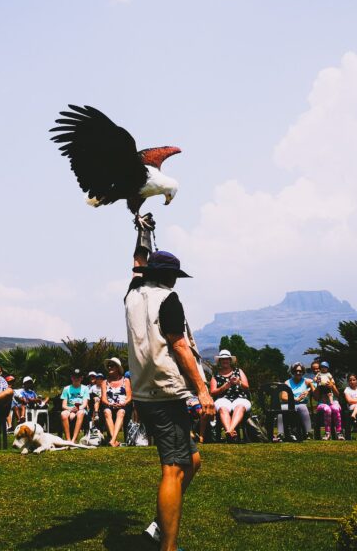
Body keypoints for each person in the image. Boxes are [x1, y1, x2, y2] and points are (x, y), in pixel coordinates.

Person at [126, 217, 213, 551]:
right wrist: (202, 390)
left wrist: (142, 231)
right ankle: (168, 546)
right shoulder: (169, 300)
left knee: (192, 461)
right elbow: (179, 346)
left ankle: (160, 523)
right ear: (171, 277)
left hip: (146, 394)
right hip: (166, 392)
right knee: (174, 468)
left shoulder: (133, 295)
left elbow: (136, 264)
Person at [209, 350, 252, 442]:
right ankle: (231, 433)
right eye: (223, 359)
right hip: (223, 399)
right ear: (219, 361)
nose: (225, 361)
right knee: (222, 408)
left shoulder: (238, 371)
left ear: (230, 360)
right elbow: (212, 392)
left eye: (227, 359)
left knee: (240, 406)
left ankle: (229, 430)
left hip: (240, 397)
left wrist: (239, 382)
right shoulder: (215, 375)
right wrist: (225, 386)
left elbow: (247, 387)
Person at [279, 363, 314, 442]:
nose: (298, 373)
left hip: (301, 404)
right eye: (296, 371)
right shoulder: (287, 382)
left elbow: (316, 384)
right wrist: (295, 399)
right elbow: (283, 397)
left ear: (303, 372)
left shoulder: (306, 381)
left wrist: (308, 390)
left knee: (302, 408)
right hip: (289, 403)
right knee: (281, 409)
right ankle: (280, 434)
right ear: (293, 371)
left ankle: (309, 432)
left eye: (300, 371)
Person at [101, 358, 132, 447]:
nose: (109, 367)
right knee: (106, 411)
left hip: (123, 405)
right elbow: (103, 398)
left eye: (112, 365)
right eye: (108, 366)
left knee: (121, 412)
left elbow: (129, 397)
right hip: (109, 405)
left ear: (118, 368)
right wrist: (109, 404)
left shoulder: (125, 380)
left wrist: (123, 403)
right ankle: (114, 441)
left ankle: (113, 440)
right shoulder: (105, 382)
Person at [312, 360, 342, 440]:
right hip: (322, 402)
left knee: (335, 408)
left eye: (318, 368)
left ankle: (339, 432)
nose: (317, 370)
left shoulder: (328, 376)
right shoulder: (314, 382)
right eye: (314, 369)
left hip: (331, 398)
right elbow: (316, 398)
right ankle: (327, 433)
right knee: (327, 409)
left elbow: (338, 395)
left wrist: (332, 386)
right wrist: (318, 385)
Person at [60, 369, 89, 443]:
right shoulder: (66, 389)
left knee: (80, 413)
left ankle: (74, 439)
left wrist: (77, 409)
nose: (76, 379)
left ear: (81, 378)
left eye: (78, 377)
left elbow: (85, 404)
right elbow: (63, 405)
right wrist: (71, 409)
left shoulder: (85, 388)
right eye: (74, 377)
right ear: (71, 378)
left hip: (81, 409)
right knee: (63, 414)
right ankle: (68, 439)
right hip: (70, 408)